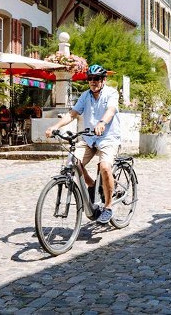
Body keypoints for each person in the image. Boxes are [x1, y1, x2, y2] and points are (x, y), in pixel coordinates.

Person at [46, 64, 121, 224]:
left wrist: (102, 122)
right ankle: (91, 184)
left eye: (96, 79)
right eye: (90, 79)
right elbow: (72, 113)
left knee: (105, 167)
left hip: (108, 137)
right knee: (73, 162)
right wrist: (55, 126)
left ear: (103, 80)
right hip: (89, 138)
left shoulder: (111, 93)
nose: (93, 82)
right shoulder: (85, 96)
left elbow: (111, 110)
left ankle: (108, 207)